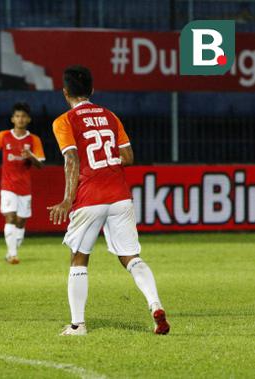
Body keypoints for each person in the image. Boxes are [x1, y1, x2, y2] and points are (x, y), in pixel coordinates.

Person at [47, 65, 169, 335]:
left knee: (79, 259)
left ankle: (78, 324)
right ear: (92, 90)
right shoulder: (110, 116)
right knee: (131, 257)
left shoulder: (64, 121)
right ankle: (155, 305)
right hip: (119, 196)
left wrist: (67, 199)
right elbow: (128, 157)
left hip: (90, 196)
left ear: (65, 92)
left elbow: (71, 159)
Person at [0, 102, 45, 264]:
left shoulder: (34, 140)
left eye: (23, 116)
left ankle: (12, 250)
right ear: (13, 119)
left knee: (21, 221)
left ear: (28, 119)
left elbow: (40, 165)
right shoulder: (3, 136)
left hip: (25, 188)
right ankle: (12, 254)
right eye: (17, 116)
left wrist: (30, 156)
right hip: (8, 186)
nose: (20, 119)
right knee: (10, 216)